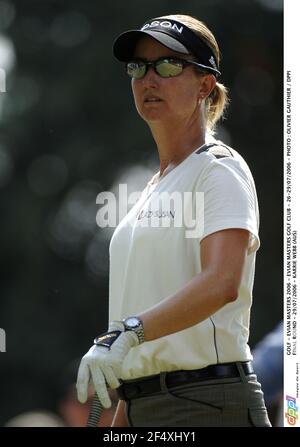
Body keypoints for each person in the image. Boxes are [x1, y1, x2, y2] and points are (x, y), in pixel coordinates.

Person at [76, 14, 271, 427]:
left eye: (167, 65)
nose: (149, 78)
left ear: (204, 85)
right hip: (144, 404)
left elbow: (222, 282)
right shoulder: (148, 192)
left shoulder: (219, 169)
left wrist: (129, 332)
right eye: (138, 67)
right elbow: (138, 345)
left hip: (209, 401)